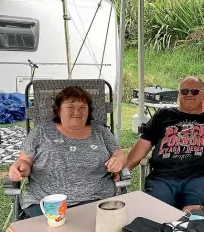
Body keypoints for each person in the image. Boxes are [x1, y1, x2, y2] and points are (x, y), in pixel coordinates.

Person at [8, 86, 127, 217]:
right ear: (58, 111)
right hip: (46, 202)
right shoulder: (40, 132)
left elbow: (119, 154)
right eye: (70, 107)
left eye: (83, 107)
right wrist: (20, 167)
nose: (77, 111)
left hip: (96, 199)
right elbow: (24, 160)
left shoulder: (101, 132)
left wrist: (118, 161)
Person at [126, 76, 204, 212]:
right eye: (185, 91)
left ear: (203, 93)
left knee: (192, 213)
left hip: (199, 177)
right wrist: (124, 170)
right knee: (158, 211)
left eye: (195, 92)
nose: (189, 95)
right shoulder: (163, 115)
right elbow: (141, 147)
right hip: (162, 177)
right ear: (179, 94)